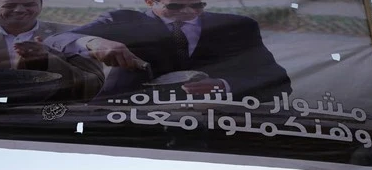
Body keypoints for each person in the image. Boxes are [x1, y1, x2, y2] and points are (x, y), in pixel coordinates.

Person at [45, 0, 291, 101]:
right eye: (174, 5)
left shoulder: (238, 27)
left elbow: (277, 80)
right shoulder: (121, 20)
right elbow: (57, 39)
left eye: (196, 5)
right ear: (150, 2)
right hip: (127, 114)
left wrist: (224, 86)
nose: (187, 12)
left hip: (216, 120)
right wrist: (92, 42)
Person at [0, 0, 104, 102]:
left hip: (50, 121)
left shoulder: (73, 35)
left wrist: (47, 62)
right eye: (10, 4)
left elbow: (95, 85)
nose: (19, 9)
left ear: (40, 6)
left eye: (29, 3)